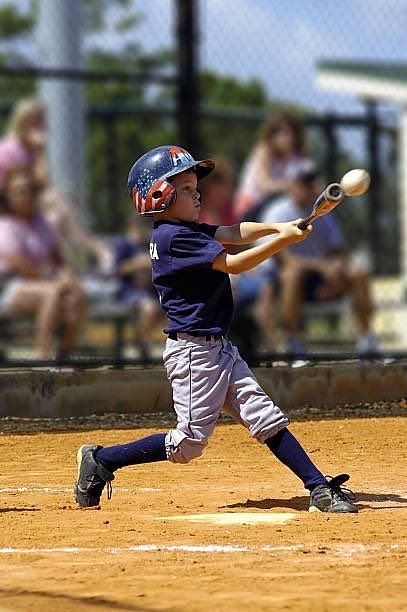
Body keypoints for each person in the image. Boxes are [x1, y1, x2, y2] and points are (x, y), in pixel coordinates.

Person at [74, 145, 358, 514]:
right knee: (187, 443)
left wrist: (278, 226)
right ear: (161, 195)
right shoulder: (171, 237)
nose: (198, 194)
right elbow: (234, 263)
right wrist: (283, 241)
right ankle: (103, 460)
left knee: (265, 417)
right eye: (188, 188)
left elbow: (233, 232)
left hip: (218, 348)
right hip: (194, 355)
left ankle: (318, 487)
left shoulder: (185, 229)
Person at [255, 159, 379, 355]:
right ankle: (293, 343)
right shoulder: (277, 211)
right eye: (303, 181)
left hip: (319, 279)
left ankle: (368, 340)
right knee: (292, 274)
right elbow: (282, 259)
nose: (308, 186)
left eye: (311, 180)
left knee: (358, 273)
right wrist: (323, 267)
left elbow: (338, 251)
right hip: (282, 282)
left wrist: (336, 271)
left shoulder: (325, 213)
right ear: (291, 185)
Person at [0, 98, 109, 268]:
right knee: (54, 200)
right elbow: (32, 186)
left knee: (56, 215)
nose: (38, 126)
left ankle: (67, 265)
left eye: (40, 121)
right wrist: (40, 150)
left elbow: (40, 184)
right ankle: (96, 249)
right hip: (9, 205)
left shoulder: (31, 150)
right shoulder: (11, 148)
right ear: (21, 123)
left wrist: (40, 151)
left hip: (29, 203)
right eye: (33, 121)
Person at [0, 166, 87, 359]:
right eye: (21, 191)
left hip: (44, 282)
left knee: (77, 296)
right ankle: (43, 358)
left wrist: (67, 277)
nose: (28, 195)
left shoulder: (41, 222)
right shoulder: (6, 225)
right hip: (9, 286)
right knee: (53, 292)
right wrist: (54, 282)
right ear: (8, 196)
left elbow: (56, 258)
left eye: (30, 189)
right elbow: (18, 264)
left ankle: (63, 356)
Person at [234, 111, 306, 220]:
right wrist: (291, 186)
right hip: (252, 207)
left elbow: (312, 184)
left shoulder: (295, 157)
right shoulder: (263, 151)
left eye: (293, 134)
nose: (290, 138)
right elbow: (266, 185)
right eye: (285, 133)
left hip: (278, 207)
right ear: (273, 135)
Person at [113, 214, 163, 358]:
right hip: (130, 292)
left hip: (152, 291)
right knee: (149, 308)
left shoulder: (150, 244)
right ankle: (141, 343)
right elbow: (117, 269)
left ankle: (141, 340)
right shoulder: (124, 245)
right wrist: (137, 263)